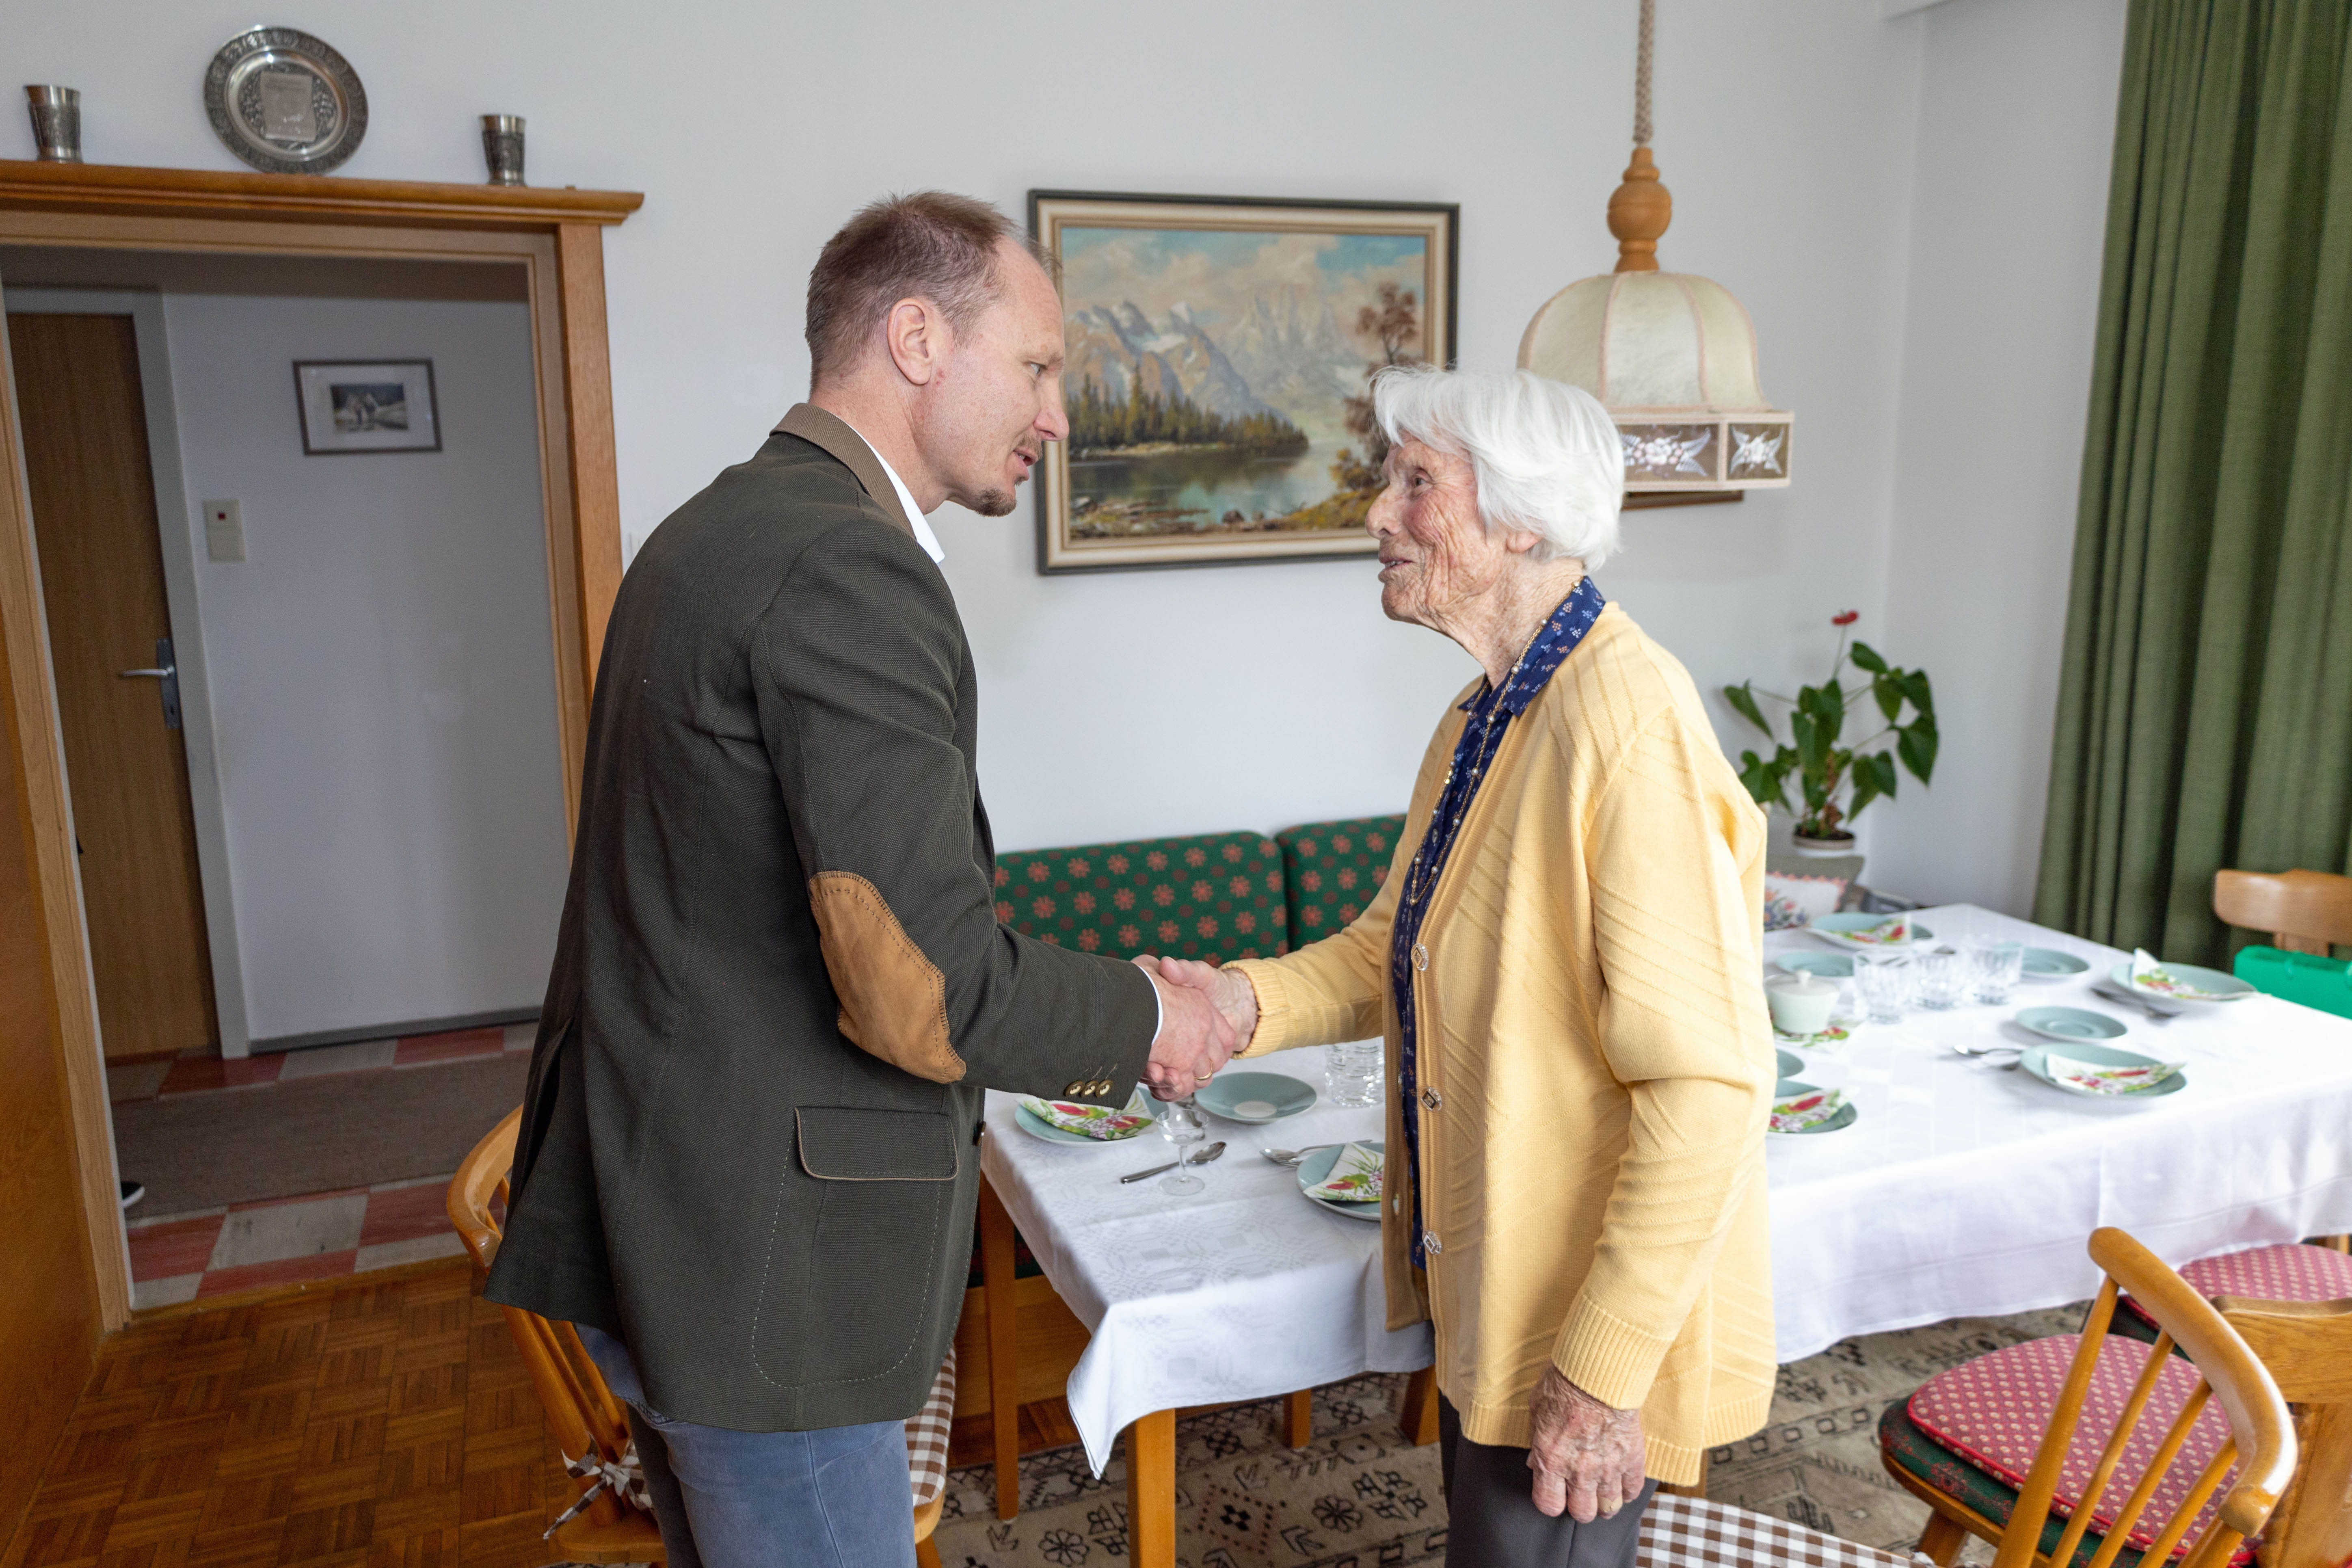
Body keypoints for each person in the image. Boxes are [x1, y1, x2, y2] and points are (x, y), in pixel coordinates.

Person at [485, 192, 1237, 1568]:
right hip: (769, 1267)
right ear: (914, 338)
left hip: (663, 1213)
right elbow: (924, 989)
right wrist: (1155, 1018)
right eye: (1039, 365)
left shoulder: (709, 529)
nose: (1058, 413)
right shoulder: (848, 564)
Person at [1154, 366, 1775, 1568]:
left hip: (1577, 1316)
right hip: (1502, 1275)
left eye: (1417, 483)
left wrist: (1598, 1378)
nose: (1380, 513)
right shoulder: (1488, 713)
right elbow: (1394, 946)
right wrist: (1236, 1000)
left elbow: (1709, 1090)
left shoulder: (1625, 724)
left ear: (1522, 519)